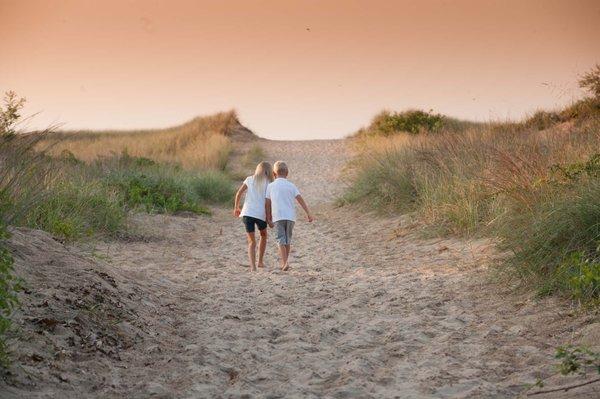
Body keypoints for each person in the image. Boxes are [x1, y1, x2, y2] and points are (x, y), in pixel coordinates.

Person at [265, 161, 314, 271]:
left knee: (280, 240)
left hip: (278, 217)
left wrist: (268, 217)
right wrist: (308, 213)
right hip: (290, 217)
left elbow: (267, 203)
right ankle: (285, 262)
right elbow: (300, 199)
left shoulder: (271, 186)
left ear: (274, 173)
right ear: (287, 173)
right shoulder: (291, 186)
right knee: (287, 240)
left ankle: (285, 262)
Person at [234, 161, 274, 272]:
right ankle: (260, 261)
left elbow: (239, 193)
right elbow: (268, 202)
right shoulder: (269, 183)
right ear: (268, 171)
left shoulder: (249, 179)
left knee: (251, 242)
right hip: (260, 214)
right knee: (263, 235)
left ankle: (253, 267)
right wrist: (269, 217)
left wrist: (236, 207)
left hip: (247, 213)